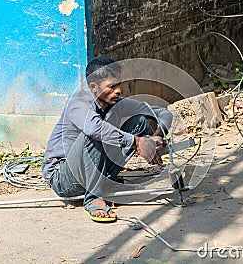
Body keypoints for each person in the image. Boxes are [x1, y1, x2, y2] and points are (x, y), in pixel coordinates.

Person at [42, 56, 172, 222]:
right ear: (94, 87)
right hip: (64, 178)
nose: (118, 90)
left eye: (118, 85)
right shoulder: (78, 102)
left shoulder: (116, 102)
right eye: (111, 86)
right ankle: (93, 197)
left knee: (140, 122)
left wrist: (156, 137)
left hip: (94, 172)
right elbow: (94, 129)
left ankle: (104, 180)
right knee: (95, 132)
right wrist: (137, 142)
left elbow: (163, 113)